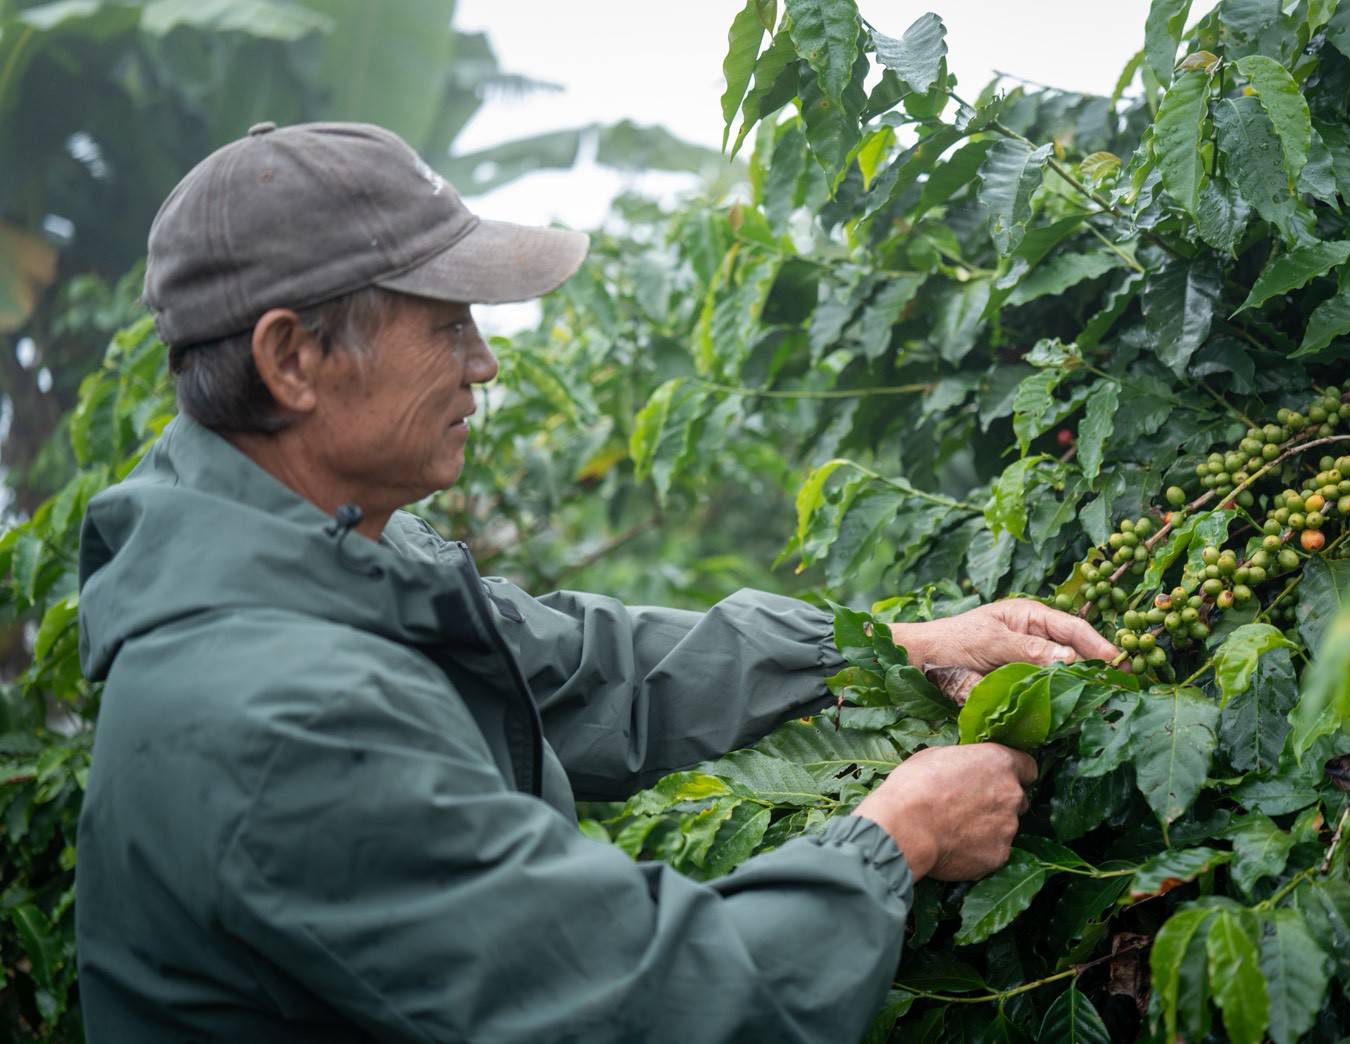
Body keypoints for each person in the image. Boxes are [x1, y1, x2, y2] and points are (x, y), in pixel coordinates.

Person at [72, 121, 1117, 1042]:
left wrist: (902, 645)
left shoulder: (342, 557)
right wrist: (899, 837)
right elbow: (648, 1003)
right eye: (445, 323)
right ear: (292, 359)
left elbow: (587, 673)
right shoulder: (274, 717)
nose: (482, 364)